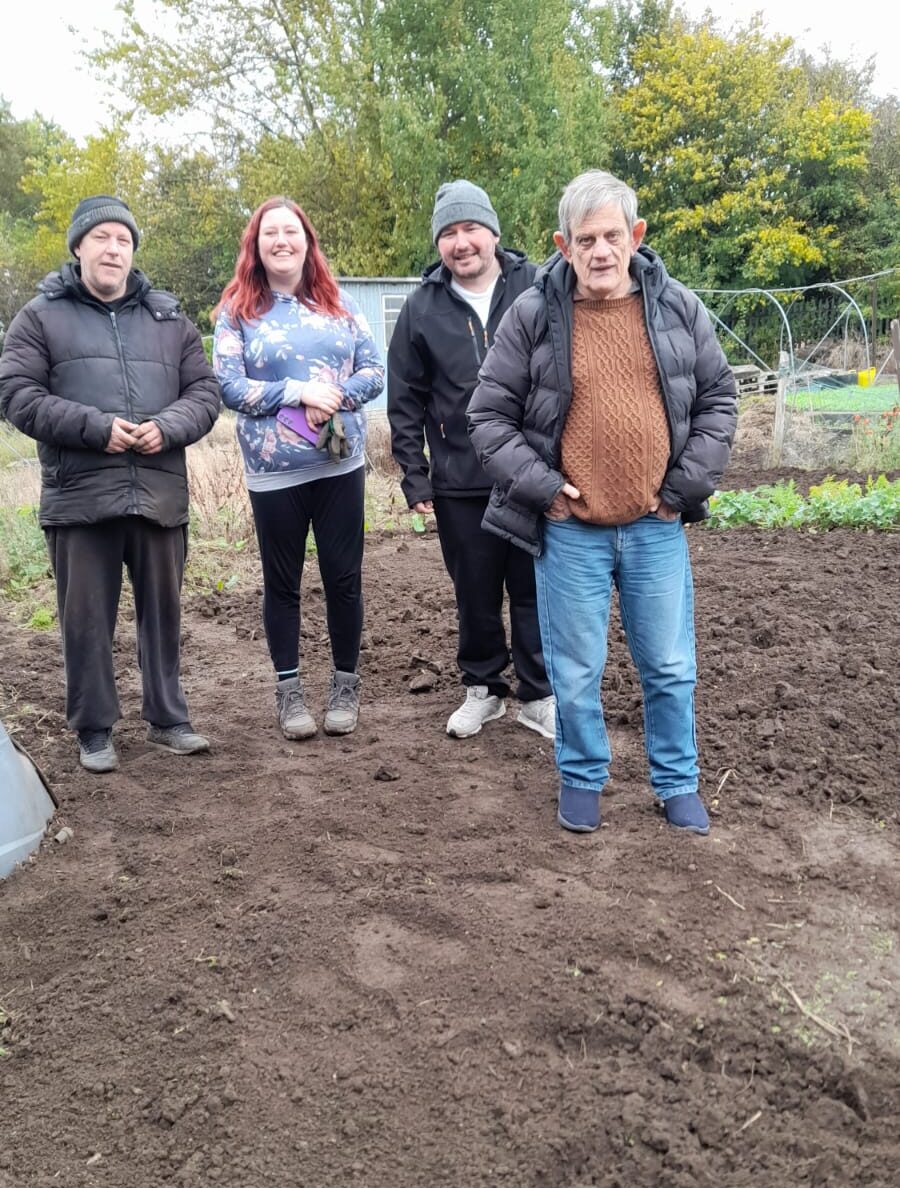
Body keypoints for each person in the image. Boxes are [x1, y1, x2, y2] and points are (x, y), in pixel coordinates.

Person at [468, 170, 737, 836]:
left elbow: (719, 402)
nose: (599, 251)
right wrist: (542, 488)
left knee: (670, 667)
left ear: (635, 235)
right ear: (563, 246)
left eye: (612, 235)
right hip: (573, 533)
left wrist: (683, 489)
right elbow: (488, 417)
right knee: (575, 668)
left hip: (655, 526)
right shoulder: (532, 315)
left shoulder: (677, 307)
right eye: (584, 239)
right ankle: (583, 777)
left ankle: (677, 783)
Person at [0, 194, 220, 773]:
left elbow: (205, 395)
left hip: (158, 492)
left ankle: (169, 719)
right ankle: (94, 730)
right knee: (85, 621)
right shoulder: (40, 316)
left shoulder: (169, 319)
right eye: (101, 238)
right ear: (78, 247)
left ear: (133, 252)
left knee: (164, 616)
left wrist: (165, 428)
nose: (113, 249)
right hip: (80, 497)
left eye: (123, 240)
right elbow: (17, 396)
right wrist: (97, 429)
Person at [388, 180, 554, 740]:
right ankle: (483, 690)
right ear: (439, 243)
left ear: (494, 234)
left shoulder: (538, 287)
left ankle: (539, 694)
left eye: (471, 229)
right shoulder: (421, 308)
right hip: (459, 478)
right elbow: (404, 400)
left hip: (532, 472)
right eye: (449, 233)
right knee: (475, 592)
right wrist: (416, 477)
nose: (462, 243)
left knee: (534, 588)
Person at [213, 197, 384, 740]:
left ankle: (344, 686)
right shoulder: (238, 311)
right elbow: (229, 387)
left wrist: (333, 396)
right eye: (271, 234)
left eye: (292, 232)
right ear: (256, 248)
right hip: (274, 474)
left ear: (308, 242)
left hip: (339, 469)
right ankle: (289, 693)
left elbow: (375, 371)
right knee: (282, 584)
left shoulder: (339, 305)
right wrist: (298, 390)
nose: (282, 241)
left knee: (344, 579)